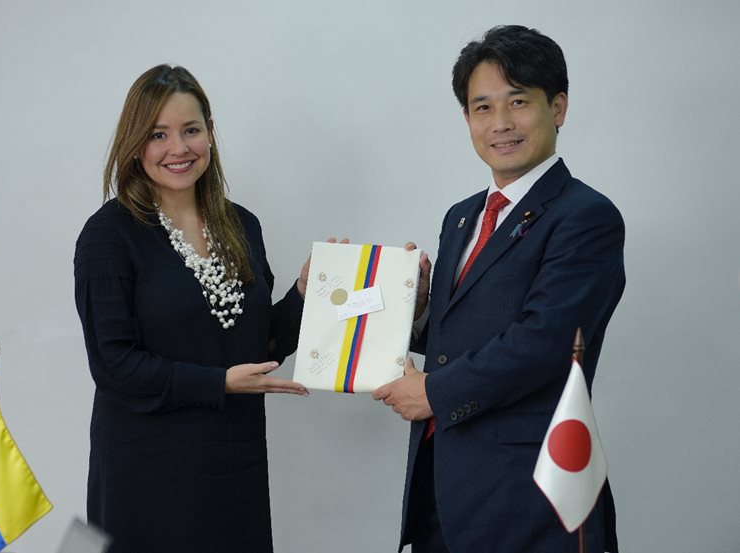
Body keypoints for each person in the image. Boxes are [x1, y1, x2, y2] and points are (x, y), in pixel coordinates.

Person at [373, 25, 625, 552]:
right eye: (482, 107)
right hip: (441, 488)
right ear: (466, 118)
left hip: (530, 495)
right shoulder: (462, 217)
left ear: (557, 107)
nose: (501, 123)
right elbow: (460, 333)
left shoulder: (586, 217)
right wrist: (415, 313)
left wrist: (432, 394)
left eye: (518, 102)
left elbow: (546, 343)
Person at [74, 64, 311, 553]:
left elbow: (257, 345)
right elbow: (114, 366)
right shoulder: (109, 236)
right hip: (147, 473)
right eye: (158, 134)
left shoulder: (242, 225)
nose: (178, 148)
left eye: (191, 130)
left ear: (209, 134)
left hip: (233, 464)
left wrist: (306, 296)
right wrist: (218, 382)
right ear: (135, 144)